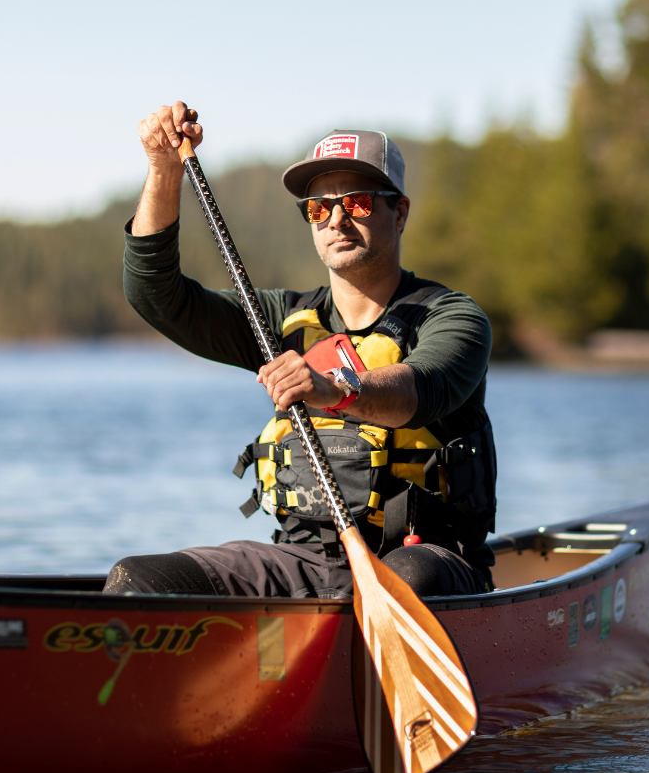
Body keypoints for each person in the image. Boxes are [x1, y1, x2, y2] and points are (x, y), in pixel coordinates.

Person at [103, 102, 496, 600]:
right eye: (317, 207)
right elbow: (156, 295)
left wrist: (336, 388)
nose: (335, 220)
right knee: (140, 581)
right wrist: (163, 171)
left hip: (430, 559)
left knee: (407, 580)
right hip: (305, 560)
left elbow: (422, 389)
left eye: (356, 203)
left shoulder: (451, 316)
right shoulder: (278, 321)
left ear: (399, 212)